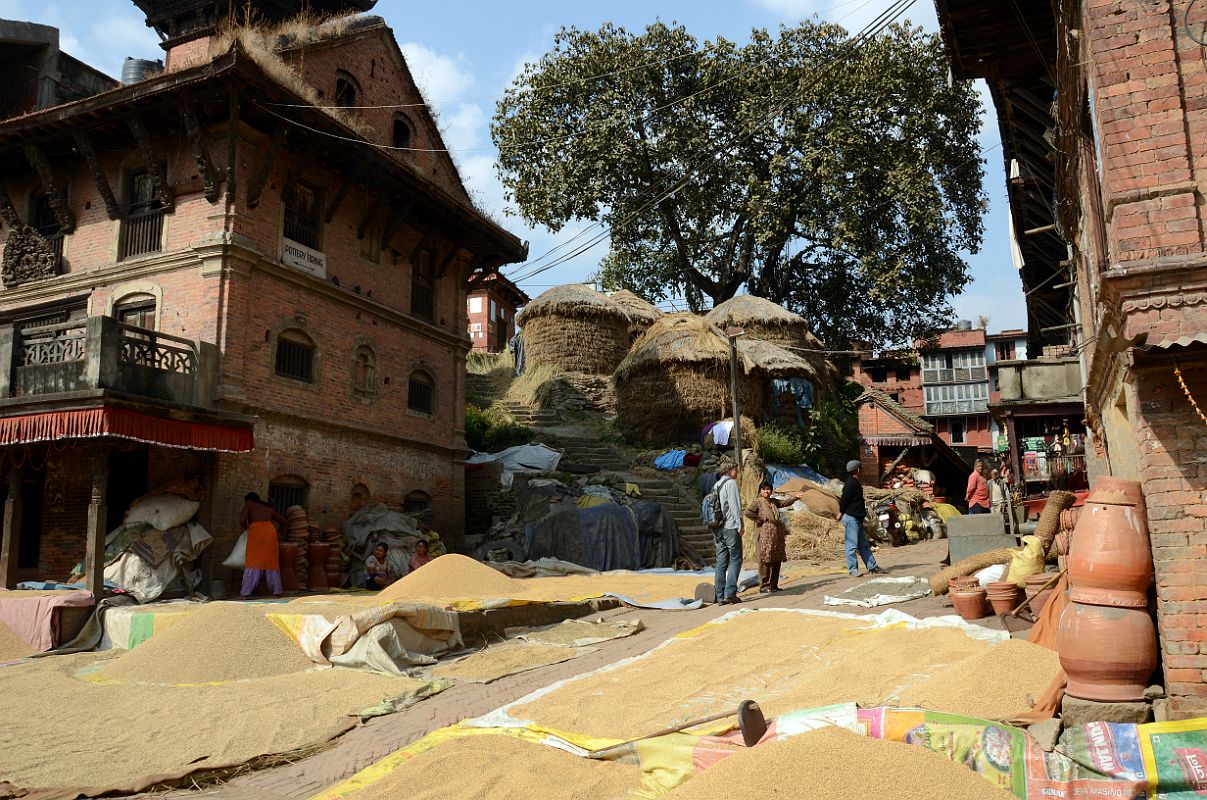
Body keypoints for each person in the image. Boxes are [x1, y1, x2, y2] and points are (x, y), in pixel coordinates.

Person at [744, 480, 792, 593]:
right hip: (764, 533)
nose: (766, 491)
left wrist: (795, 498)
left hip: (776, 534)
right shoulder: (758, 502)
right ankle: (764, 585)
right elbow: (748, 512)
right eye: (764, 489)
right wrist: (759, 518)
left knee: (777, 558)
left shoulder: (774, 502)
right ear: (760, 491)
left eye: (768, 489)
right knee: (765, 559)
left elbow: (785, 503)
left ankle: (774, 585)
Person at [836, 461, 882, 577]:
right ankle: (853, 570)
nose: (862, 470)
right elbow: (844, 499)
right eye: (861, 468)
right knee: (851, 545)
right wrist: (841, 512)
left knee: (864, 545)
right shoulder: (850, 483)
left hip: (857, 518)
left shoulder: (855, 482)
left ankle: (872, 566)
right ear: (858, 470)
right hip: (851, 518)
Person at [239, 492, 288, 599]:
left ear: (249, 500)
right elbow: (284, 522)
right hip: (270, 532)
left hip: (256, 532)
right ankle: (277, 591)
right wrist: (280, 534)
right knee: (271, 562)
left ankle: (245, 593)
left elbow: (242, 520)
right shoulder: (268, 509)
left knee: (253, 561)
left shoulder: (249, 505)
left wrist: (246, 528)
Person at [713, 458, 744, 605]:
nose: (737, 472)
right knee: (736, 559)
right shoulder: (730, 483)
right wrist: (740, 524)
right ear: (729, 470)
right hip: (730, 526)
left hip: (717, 528)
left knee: (721, 562)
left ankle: (720, 596)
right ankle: (730, 593)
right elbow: (735, 507)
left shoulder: (716, 485)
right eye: (736, 470)